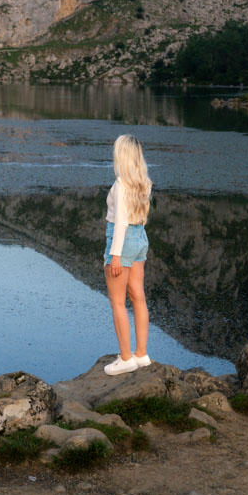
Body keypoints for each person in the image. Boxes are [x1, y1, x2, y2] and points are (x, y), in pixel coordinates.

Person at [103, 134, 152, 375]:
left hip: (121, 240)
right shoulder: (143, 181)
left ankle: (125, 359)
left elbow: (120, 222)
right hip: (140, 237)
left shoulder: (121, 183)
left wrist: (114, 255)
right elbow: (141, 217)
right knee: (138, 297)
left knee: (118, 302)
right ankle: (141, 354)